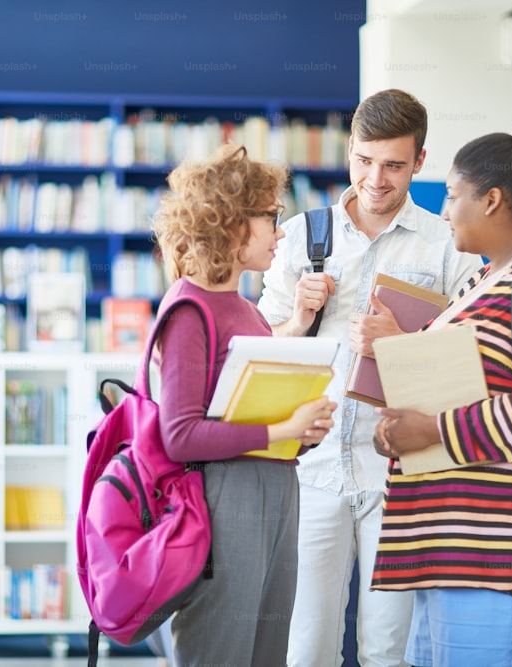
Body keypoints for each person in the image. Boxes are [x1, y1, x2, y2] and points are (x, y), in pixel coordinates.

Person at [258, 88, 484, 667]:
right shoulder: (302, 237)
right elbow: (259, 355)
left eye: (393, 165)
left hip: (402, 478)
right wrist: (298, 319)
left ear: (420, 162)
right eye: (363, 160)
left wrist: (401, 347)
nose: (375, 179)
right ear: (349, 151)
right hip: (311, 473)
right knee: (305, 651)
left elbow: (473, 374)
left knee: (388, 651)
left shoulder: (450, 246)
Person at [369, 119, 512, 666]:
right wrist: (395, 428)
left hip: (505, 557)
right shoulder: (481, 281)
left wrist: (430, 430)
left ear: (492, 199)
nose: (445, 212)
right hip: (453, 550)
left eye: (452, 197)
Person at [148, 143, 338, 667]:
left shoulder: (245, 308)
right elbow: (180, 435)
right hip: (225, 500)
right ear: (230, 222)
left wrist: (302, 431)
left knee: (265, 655)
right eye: (271, 216)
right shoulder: (190, 306)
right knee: (220, 652)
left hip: (275, 489)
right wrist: (281, 428)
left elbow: (244, 412)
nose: (281, 231)